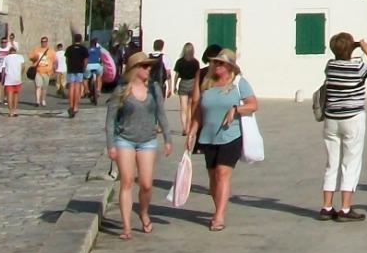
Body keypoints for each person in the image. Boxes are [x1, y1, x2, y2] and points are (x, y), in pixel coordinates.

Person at [188, 49, 258, 231]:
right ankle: (219, 205)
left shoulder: (239, 83)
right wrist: (192, 131)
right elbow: (199, 110)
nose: (216, 65)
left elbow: (253, 105)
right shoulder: (207, 83)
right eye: (215, 62)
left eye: (221, 63)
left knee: (222, 174)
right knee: (213, 181)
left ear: (230, 66)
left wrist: (236, 109)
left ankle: (219, 216)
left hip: (231, 136)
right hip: (208, 137)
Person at [107, 51, 172, 239]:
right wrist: (111, 144)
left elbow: (161, 114)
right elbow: (110, 119)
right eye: (144, 66)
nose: (148, 69)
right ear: (134, 69)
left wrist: (168, 138)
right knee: (127, 182)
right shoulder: (121, 90)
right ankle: (126, 227)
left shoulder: (154, 88)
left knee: (146, 184)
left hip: (147, 140)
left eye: (149, 66)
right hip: (124, 139)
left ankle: (143, 213)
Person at [319, 31, 367, 221]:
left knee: (332, 163)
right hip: (352, 118)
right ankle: (345, 208)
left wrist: (349, 47)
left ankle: (327, 206)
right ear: (350, 48)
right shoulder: (358, 67)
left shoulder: (330, 66)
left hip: (331, 119)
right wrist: (366, 50)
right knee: (351, 162)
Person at [173, 43, 199, 135]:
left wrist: (174, 85)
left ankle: (184, 127)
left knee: (183, 108)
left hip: (183, 83)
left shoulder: (179, 62)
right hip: (192, 84)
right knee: (190, 108)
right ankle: (188, 127)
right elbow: (197, 75)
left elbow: (176, 75)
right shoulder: (195, 62)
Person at [65, 38, 89, 119]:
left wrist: (68, 67)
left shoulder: (69, 48)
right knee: (77, 88)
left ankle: (70, 106)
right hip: (79, 70)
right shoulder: (83, 49)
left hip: (71, 70)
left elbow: (66, 60)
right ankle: (75, 107)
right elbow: (86, 60)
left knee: (71, 88)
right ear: (81, 40)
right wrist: (84, 68)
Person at [1, 38, 26, 116]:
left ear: (9, 51)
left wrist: (2, 79)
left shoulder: (6, 58)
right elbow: (23, 67)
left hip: (9, 78)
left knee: (9, 95)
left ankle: (10, 111)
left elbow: (3, 69)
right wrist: (20, 74)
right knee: (16, 94)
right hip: (17, 78)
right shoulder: (20, 57)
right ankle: (15, 110)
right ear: (15, 51)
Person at [30, 37, 57, 108]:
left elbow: (55, 61)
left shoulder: (51, 51)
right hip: (38, 71)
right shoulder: (37, 50)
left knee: (44, 88)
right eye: (42, 41)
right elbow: (31, 57)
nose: (43, 43)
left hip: (47, 72)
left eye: (45, 41)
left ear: (47, 42)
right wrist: (35, 58)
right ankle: (37, 101)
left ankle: (43, 100)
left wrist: (54, 69)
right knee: (38, 86)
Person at [86, 37, 104, 104]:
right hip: (97, 65)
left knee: (85, 78)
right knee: (99, 76)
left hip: (88, 65)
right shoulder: (98, 49)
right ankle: (98, 89)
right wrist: (101, 63)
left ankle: (87, 90)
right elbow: (101, 58)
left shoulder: (87, 49)